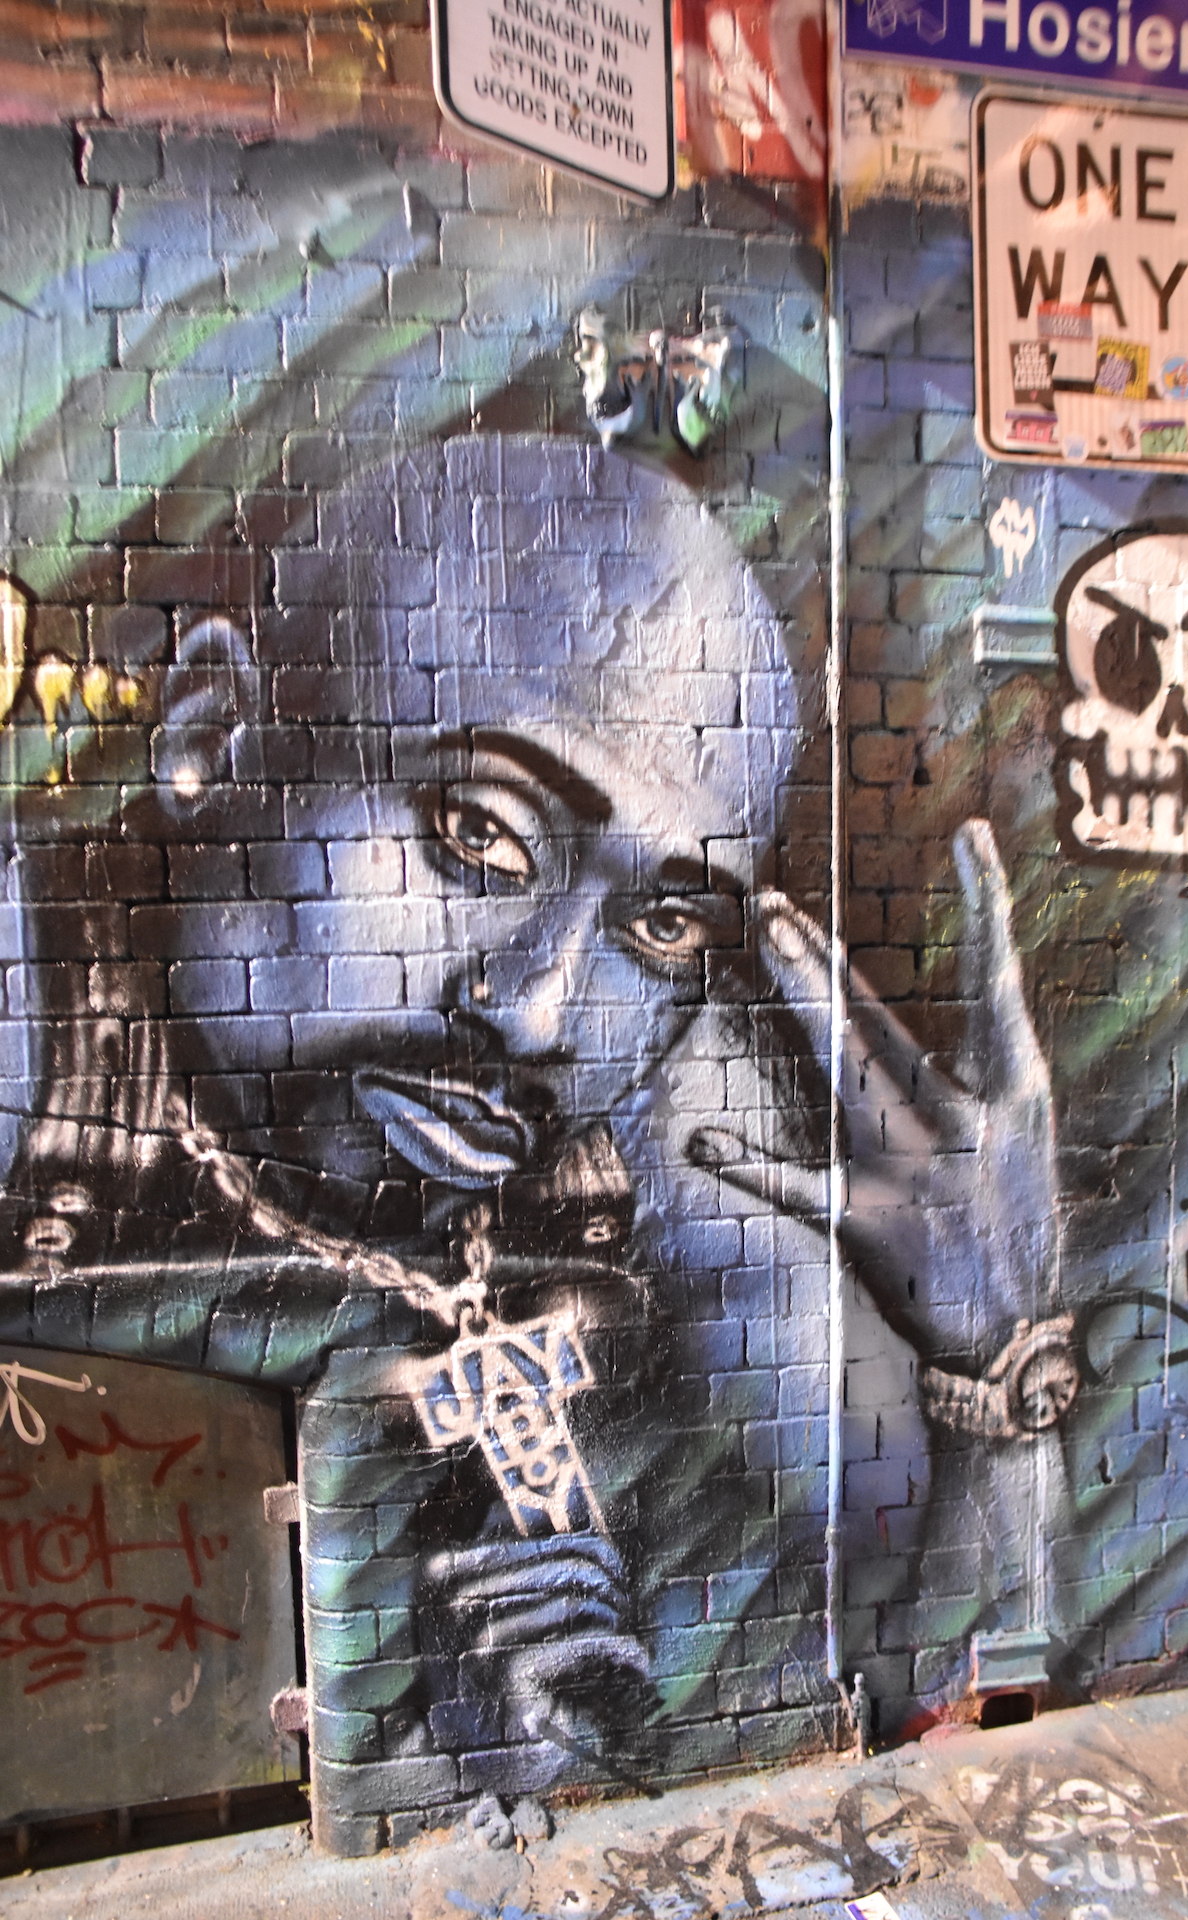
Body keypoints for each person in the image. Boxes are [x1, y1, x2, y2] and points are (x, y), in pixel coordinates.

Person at [0, 430, 1060, 1809]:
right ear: (212, 734)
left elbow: (925, 1654)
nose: (543, 1011)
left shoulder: (672, 1117)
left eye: (662, 923)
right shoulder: (40, 1016)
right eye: (480, 835)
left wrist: (994, 1364)